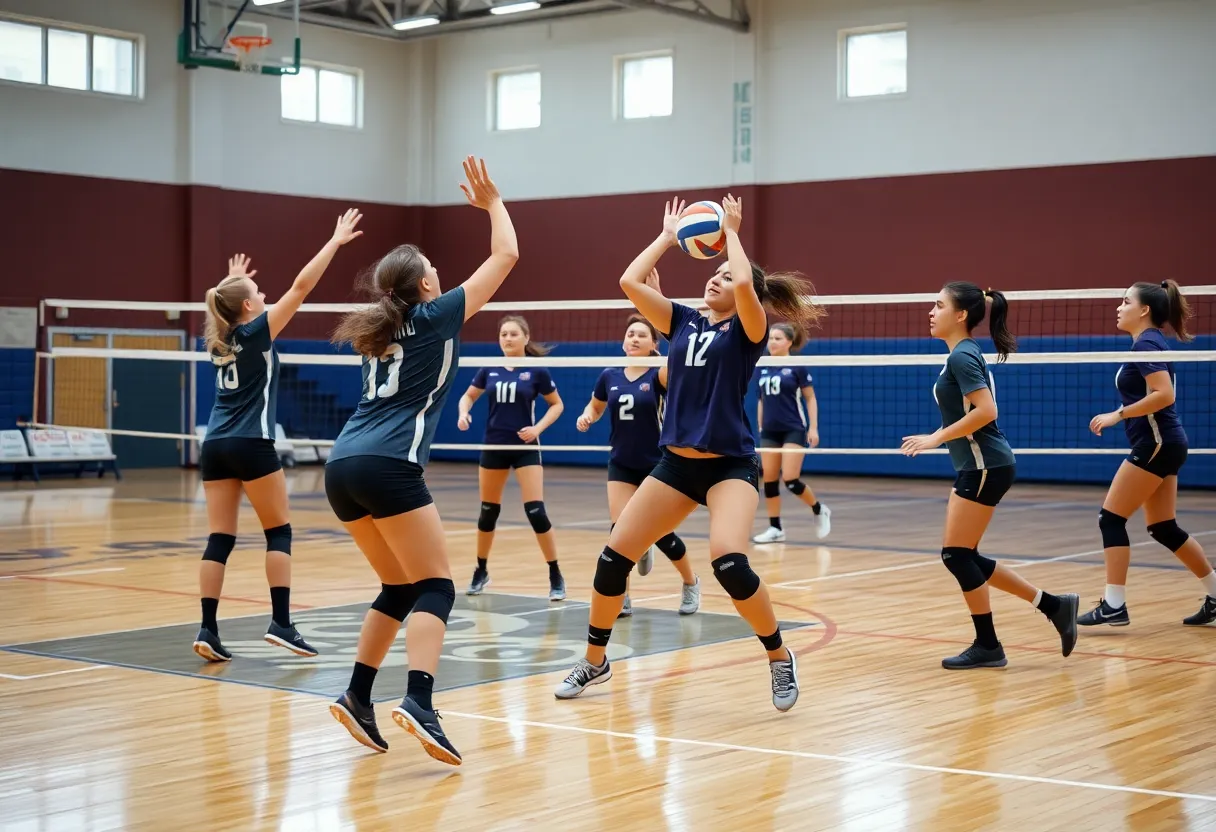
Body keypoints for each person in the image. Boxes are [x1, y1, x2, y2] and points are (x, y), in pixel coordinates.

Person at [554, 193, 818, 710]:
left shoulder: (749, 329)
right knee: (613, 560)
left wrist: (734, 232)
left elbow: (744, 283)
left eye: (722, 274)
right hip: (674, 464)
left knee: (730, 563)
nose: (715, 278)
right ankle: (595, 659)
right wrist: (667, 236)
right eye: (712, 272)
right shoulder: (682, 321)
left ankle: (779, 657)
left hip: (728, 467)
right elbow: (629, 282)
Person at [324, 157, 517, 763]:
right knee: (436, 585)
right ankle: (419, 702)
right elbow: (506, 256)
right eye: (434, 269)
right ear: (427, 287)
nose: (441, 274)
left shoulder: (378, 331)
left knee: (398, 585)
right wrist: (492, 204)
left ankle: (358, 695)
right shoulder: (434, 318)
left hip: (342, 467)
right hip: (387, 467)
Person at [194, 210, 363, 663]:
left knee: (220, 538)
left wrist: (231, 282)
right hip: (252, 442)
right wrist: (334, 241)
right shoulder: (255, 333)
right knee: (279, 532)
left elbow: (220, 307)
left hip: (214, 445)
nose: (266, 296)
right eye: (257, 294)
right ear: (248, 308)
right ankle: (282, 623)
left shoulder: (219, 339)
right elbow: (301, 288)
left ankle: (208, 628)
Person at [900, 282, 1080, 669]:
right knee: (963, 554)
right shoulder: (962, 355)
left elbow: (986, 411)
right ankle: (1054, 606)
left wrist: (936, 438)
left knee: (956, 555)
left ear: (961, 315)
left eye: (939, 304)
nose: (931, 311)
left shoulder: (963, 357)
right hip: (978, 465)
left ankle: (989, 645)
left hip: (986, 465)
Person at [1078, 280, 1216, 627]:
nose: (1118, 308)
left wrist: (1117, 415)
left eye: (1126, 301)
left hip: (1156, 444)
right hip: (1166, 443)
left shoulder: (1147, 343)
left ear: (1144, 310)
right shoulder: (1149, 343)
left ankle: (1114, 604)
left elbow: (1164, 394)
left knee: (1110, 518)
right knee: (1163, 527)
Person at [575, 312, 701, 618]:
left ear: (653, 344)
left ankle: (690, 582)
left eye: (641, 335)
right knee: (619, 532)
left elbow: (683, 368)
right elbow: (596, 404)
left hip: (656, 465)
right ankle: (623, 595)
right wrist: (589, 415)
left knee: (663, 535)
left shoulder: (658, 375)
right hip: (621, 463)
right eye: (630, 334)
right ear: (623, 342)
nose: (634, 338)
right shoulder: (609, 376)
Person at [456, 315, 566, 601]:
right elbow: (467, 397)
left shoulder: (536, 372)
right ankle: (480, 570)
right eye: (503, 334)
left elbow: (557, 405)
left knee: (535, 512)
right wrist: (463, 412)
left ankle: (555, 573)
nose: (507, 338)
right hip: (493, 446)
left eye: (513, 334)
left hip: (525, 446)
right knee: (487, 512)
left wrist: (537, 428)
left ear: (525, 338)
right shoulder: (489, 369)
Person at [752, 323, 831, 543]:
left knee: (790, 479)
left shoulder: (797, 366)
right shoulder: (763, 366)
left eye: (777, 339)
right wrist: (760, 423)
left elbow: (810, 398)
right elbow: (761, 399)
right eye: (770, 339)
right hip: (769, 430)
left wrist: (813, 427)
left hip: (793, 429)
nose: (772, 342)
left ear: (788, 342)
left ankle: (818, 508)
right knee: (768, 480)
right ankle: (775, 528)